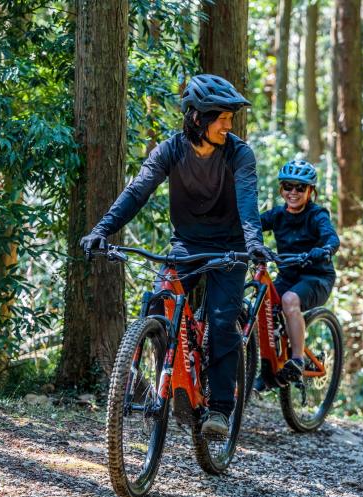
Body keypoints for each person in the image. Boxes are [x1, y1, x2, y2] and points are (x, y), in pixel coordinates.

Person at [79, 74, 274, 438]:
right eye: (223, 118)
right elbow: (137, 191)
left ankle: (219, 408)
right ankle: (156, 378)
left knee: (220, 322)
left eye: (231, 118)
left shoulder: (239, 153)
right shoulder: (170, 150)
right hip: (186, 244)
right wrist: (102, 230)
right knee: (157, 304)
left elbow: (248, 205)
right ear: (198, 118)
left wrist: (254, 244)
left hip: (231, 249)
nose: (229, 125)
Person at [256, 160, 340, 389]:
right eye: (288, 186)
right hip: (288, 277)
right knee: (259, 305)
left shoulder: (317, 215)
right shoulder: (278, 215)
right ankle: (268, 369)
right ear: (281, 189)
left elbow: (331, 238)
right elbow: (251, 224)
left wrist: (323, 250)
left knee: (289, 300)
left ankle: (297, 360)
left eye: (300, 188)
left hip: (316, 277)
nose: (293, 192)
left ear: (311, 191)